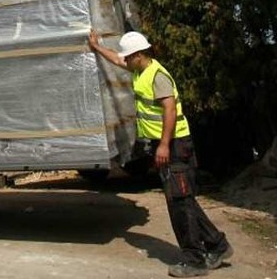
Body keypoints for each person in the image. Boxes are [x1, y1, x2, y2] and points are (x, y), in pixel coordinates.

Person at [88, 30, 232, 278]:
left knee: (178, 204)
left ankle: (195, 259)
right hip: (166, 143)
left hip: (175, 144)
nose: (125, 60)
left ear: (139, 54)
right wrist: (97, 47)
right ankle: (217, 245)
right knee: (184, 198)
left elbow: (169, 111)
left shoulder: (158, 76)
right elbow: (117, 60)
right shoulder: (140, 69)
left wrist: (164, 145)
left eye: (128, 56)